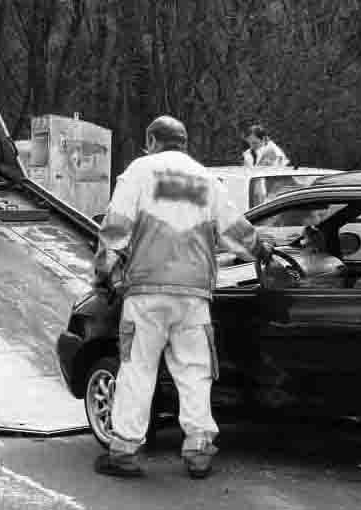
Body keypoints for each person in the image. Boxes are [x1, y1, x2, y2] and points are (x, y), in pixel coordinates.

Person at [93, 115, 272, 479]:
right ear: (185, 144)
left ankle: (125, 450)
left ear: (151, 140)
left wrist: (104, 269)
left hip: (145, 292)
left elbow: (116, 227)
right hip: (194, 295)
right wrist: (262, 249)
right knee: (194, 372)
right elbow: (236, 229)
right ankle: (199, 449)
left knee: (137, 369)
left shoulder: (139, 173)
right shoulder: (207, 180)